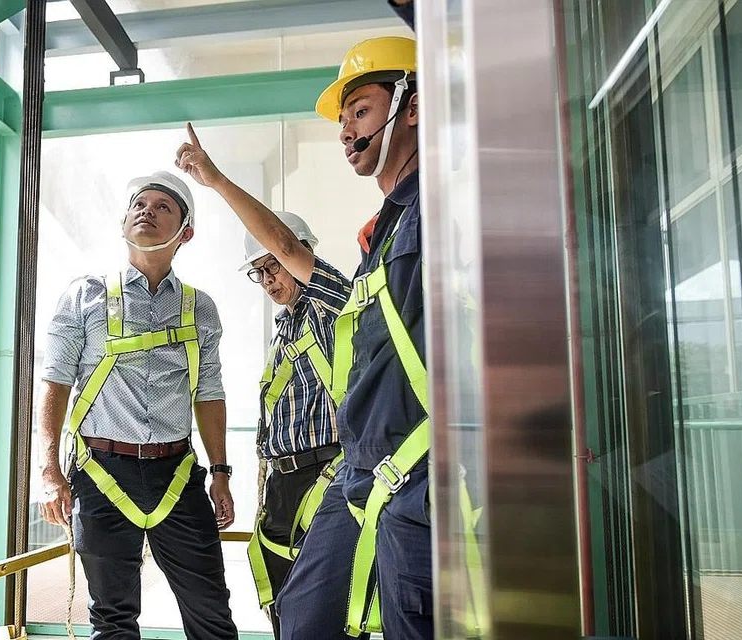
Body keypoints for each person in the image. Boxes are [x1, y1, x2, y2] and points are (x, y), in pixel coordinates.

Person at [271, 23, 434, 640]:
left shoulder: (439, 209)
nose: (346, 131)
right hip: (365, 468)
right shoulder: (385, 231)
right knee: (304, 617)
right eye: (342, 118)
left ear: (412, 106)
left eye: (360, 110)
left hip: (417, 477)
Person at [37, 171, 238, 640]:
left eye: (163, 206)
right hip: (102, 470)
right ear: (124, 222)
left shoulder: (200, 309)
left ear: (185, 233)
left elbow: (209, 391)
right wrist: (49, 472)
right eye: (139, 205)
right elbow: (55, 384)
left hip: (177, 474)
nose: (147, 211)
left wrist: (222, 473)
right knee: (113, 617)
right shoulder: (83, 296)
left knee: (211, 610)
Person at [175, 124, 352, 638]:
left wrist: (215, 181)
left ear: (303, 254)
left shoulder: (329, 303)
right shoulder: (285, 328)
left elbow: (283, 241)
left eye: (276, 264)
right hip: (284, 483)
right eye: (260, 271)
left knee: (321, 612)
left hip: (327, 476)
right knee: (285, 608)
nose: (271, 277)